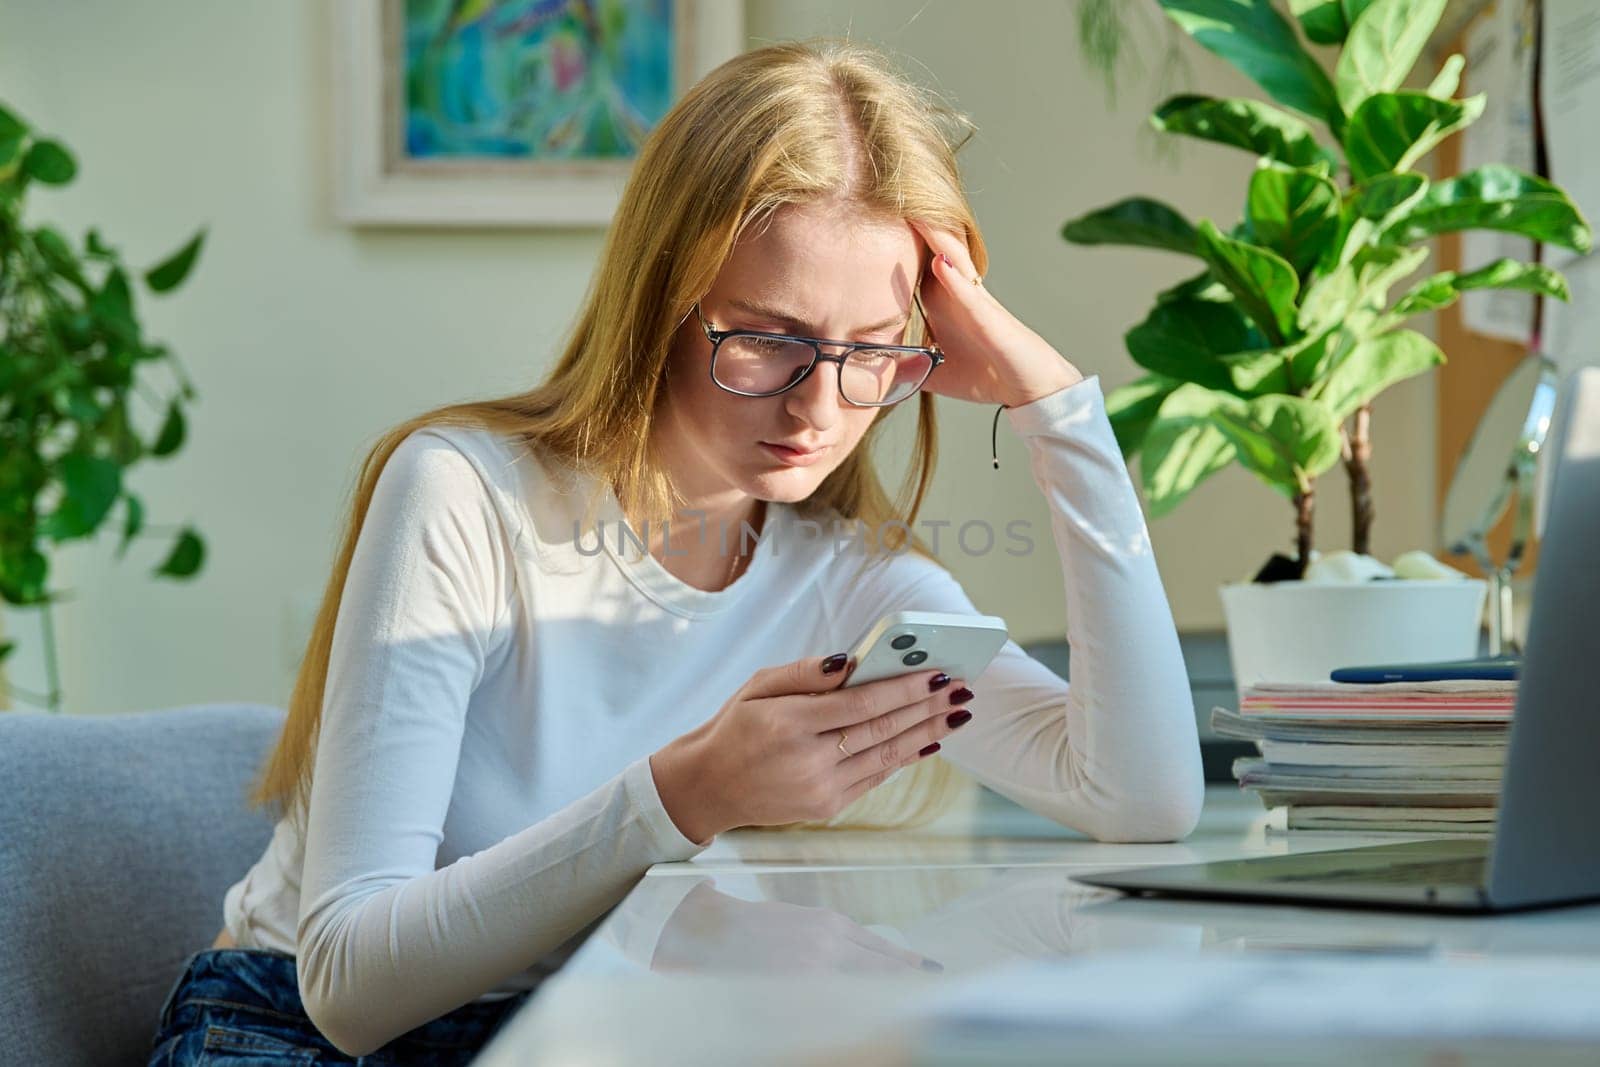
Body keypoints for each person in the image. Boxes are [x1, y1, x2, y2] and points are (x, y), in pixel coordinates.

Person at [146, 36, 1202, 1065]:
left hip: (587, 1028)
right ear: (660, 300)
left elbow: (1139, 799)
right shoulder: (463, 491)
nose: (821, 404)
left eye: (872, 351)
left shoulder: (853, 582)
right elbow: (348, 990)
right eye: (769, 337)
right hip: (285, 1031)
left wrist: (1060, 414)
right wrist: (681, 795)